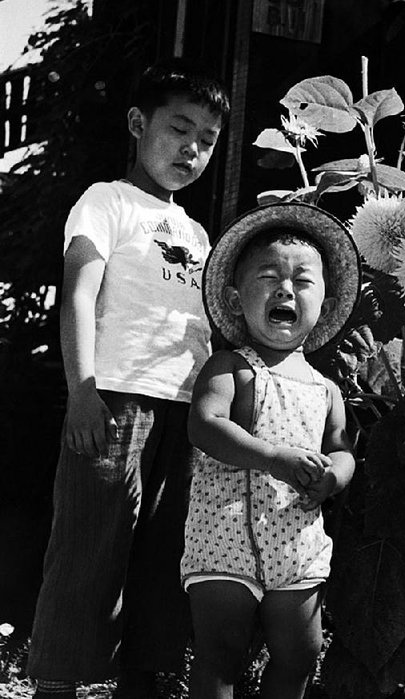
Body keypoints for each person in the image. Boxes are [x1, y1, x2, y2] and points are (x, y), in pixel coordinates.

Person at [28, 58, 231, 699]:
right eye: (179, 129)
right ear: (138, 124)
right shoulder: (106, 200)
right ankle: (57, 683)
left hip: (185, 410)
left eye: (206, 140)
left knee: (165, 557)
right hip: (113, 399)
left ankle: (142, 681)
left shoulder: (199, 234)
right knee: (88, 548)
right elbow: (79, 295)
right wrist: (81, 388)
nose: (191, 149)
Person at [181, 202, 361, 699]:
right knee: (220, 654)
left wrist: (333, 477)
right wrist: (273, 457)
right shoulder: (230, 367)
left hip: (296, 542)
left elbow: (342, 449)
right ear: (237, 301)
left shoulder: (326, 389)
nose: (286, 288)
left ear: (323, 305)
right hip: (224, 536)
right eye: (269, 277)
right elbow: (205, 425)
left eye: (303, 281)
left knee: (302, 652)